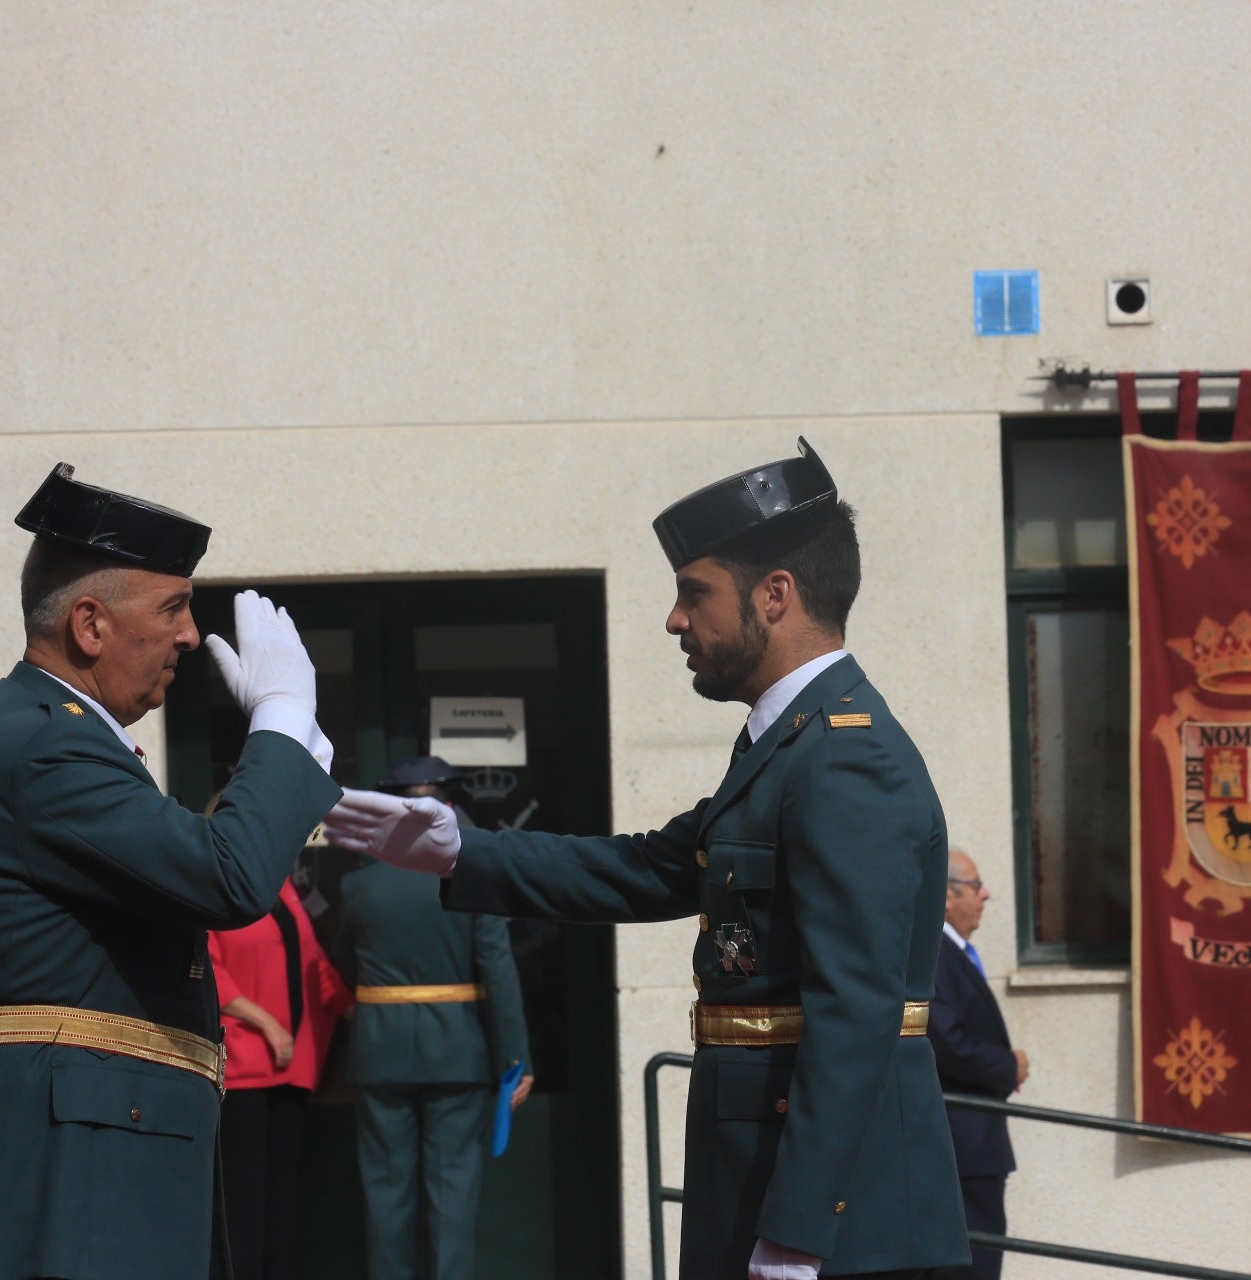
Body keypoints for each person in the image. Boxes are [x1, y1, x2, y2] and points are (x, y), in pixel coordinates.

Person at [325, 439, 968, 1280]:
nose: (675, 620)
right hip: (763, 1177)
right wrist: (458, 851)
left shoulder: (845, 758)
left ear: (776, 597)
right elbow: (647, 868)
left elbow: (855, 1012)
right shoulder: (790, 746)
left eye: (694, 594)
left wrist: (800, 1231)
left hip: (838, 1218)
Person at [0, 463, 343, 1280]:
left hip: (77, 1166)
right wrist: (281, 725)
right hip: (61, 1179)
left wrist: (291, 758)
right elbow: (227, 878)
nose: (190, 635)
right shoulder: (48, 745)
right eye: (172, 607)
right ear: (90, 625)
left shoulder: (51, 738)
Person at [333, 754, 533, 1280]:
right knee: (451, 1195)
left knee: (385, 1192)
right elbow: (499, 971)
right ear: (446, 805)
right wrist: (515, 1058)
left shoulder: (358, 885)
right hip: (457, 1051)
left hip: (380, 1050)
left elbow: (340, 965)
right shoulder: (470, 880)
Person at [212, 866, 356, 1280]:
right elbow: (209, 971)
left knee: (281, 1201)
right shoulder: (216, 885)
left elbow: (314, 964)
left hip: (293, 1066)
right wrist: (268, 1024)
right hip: (243, 1065)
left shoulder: (286, 889)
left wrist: (360, 1009)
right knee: (244, 1201)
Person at [929, 848, 1027, 1280]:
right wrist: (1008, 1066)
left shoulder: (956, 952)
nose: (985, 894)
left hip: (975, 1143)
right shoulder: (934, 953)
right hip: (962, 1144)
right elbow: (946, 1041)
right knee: (969, 1264)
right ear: (946, 897)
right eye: (975, 885)